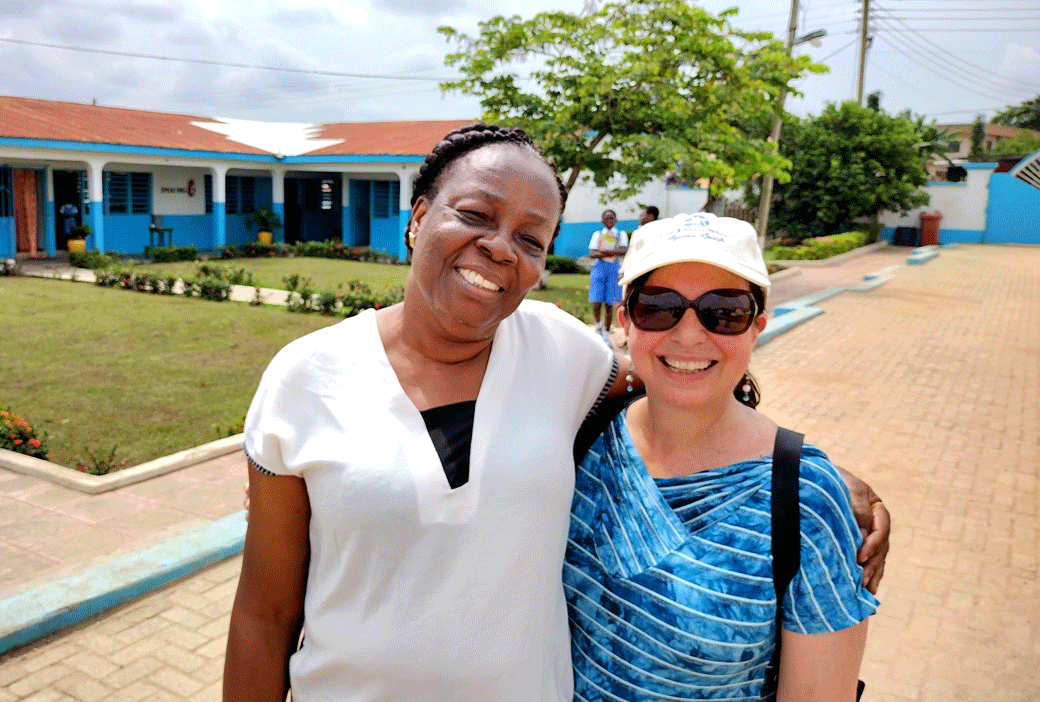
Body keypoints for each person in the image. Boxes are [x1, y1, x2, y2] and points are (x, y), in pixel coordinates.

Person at [224, 125, 889, 702]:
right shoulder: (305, 378)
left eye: (531, 238)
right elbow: (264, 613)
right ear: (419, 215)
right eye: (475, 214)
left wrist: (817, 480)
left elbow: (682, 381)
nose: (499, 247)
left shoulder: (560, 350)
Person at [565, 213, 877, 700]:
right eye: (659, 307)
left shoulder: (807, 499)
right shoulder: (582, 431)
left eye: (724, 311)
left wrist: (818, 480)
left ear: (757, 327)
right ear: (626, 320)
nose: (689, 335)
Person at [588, 209, 627, 345]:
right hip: (599, 268)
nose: (609, 220)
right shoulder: (597, 234)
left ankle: (606, 333)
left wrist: (604, 252)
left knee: (610, 303)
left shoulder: (620, 234)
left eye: (612, 218)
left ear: (616, 220)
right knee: (596, 301)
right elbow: (592, 253)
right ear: (602, 221)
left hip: (613, 270)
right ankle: (599, 324)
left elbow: (623, 251)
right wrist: (613, 252)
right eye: (607, 218)